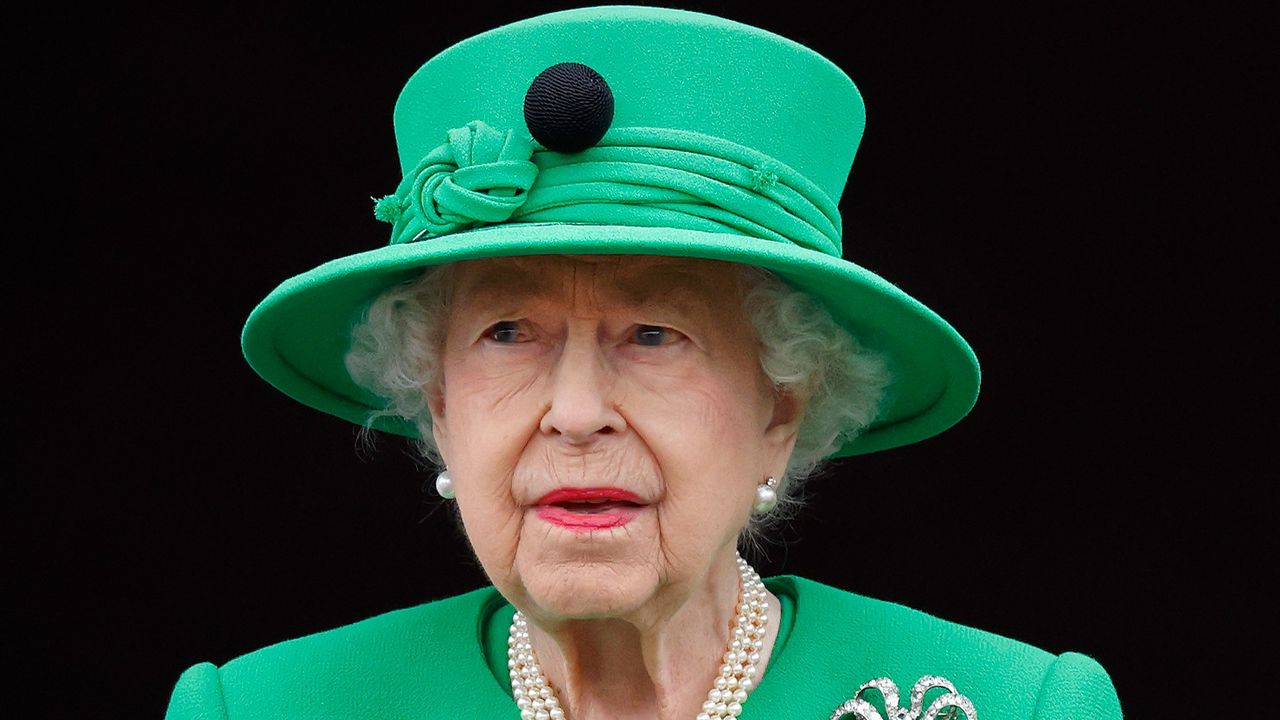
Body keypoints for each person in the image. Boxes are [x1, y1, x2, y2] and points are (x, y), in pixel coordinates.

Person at [165, 6, 1122, 719]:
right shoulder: (259, 708)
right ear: (437, 402)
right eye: (509, 332)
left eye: (654, 335)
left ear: (780, 409)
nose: (576, 412)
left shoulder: (1018, 705)